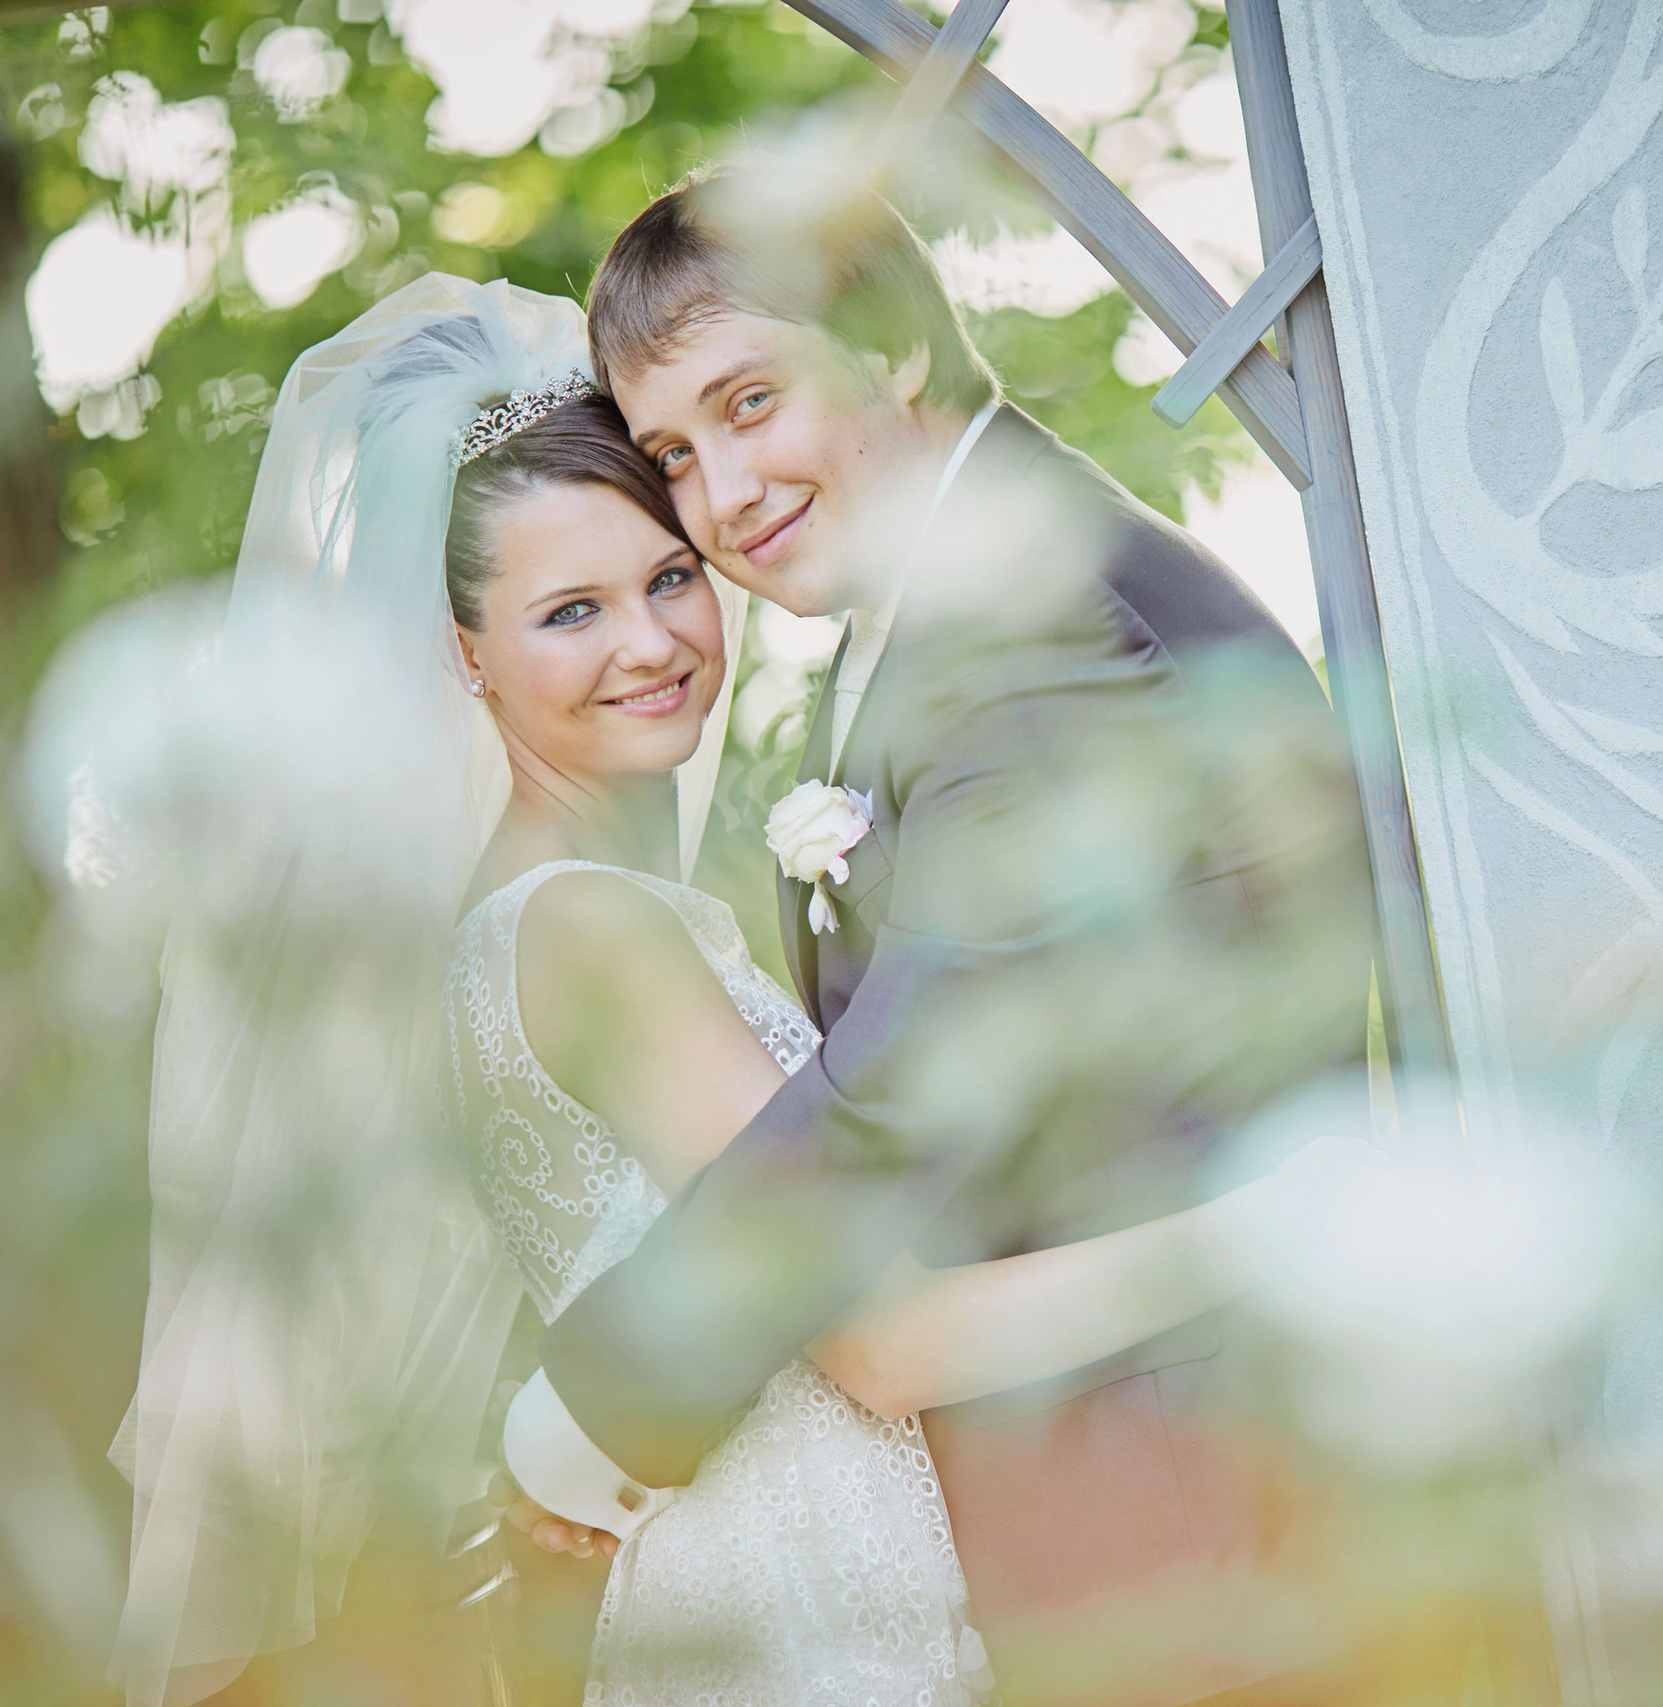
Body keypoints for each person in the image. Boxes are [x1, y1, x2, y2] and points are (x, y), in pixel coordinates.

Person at [106, 274, 1363, 1707]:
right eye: (569, 612)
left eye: (667, 578)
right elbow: (888, 1341)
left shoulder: (526, 918)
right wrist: (1272, 1226)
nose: (649, 645)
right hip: (808, 1605)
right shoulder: (590, 932)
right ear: (464, 655)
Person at [502, 176, 1380, 1703]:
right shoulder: (940, 616)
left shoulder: (1031, 625)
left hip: (1210, 1515)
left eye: (751, 401)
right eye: (676, 456)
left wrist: (596, 1409)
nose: (723, 494)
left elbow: (902, 1092)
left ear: (894, 341)